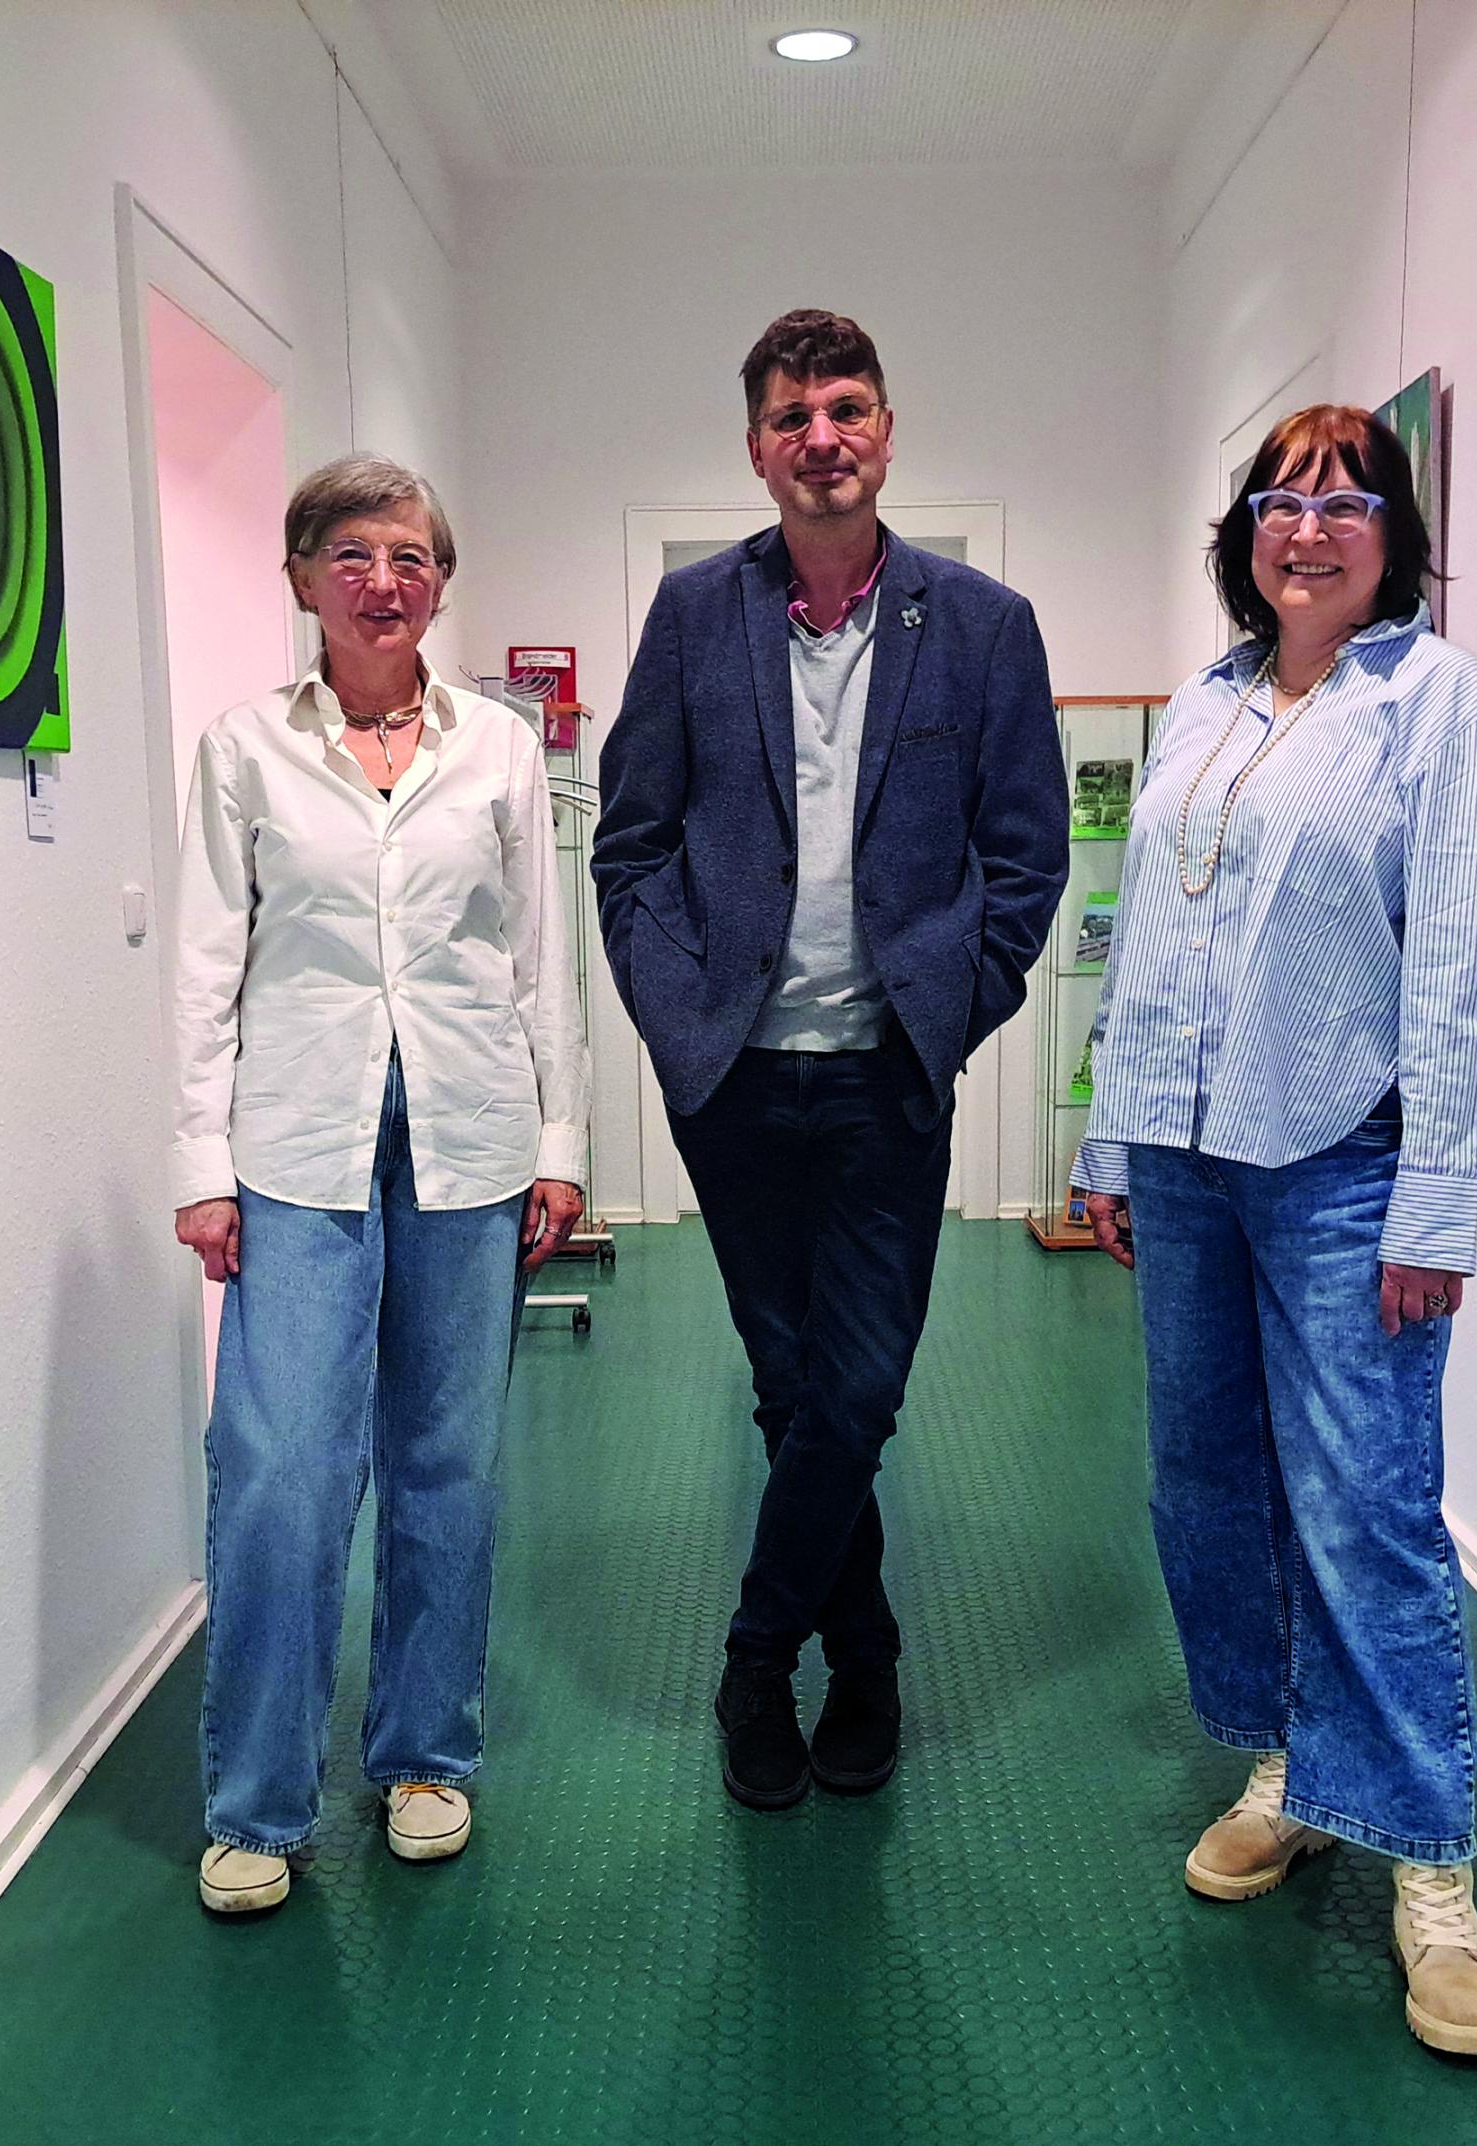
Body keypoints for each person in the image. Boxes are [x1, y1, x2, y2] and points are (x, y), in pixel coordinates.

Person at [1071, 404, 1477, 2056]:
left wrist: (1438, 1195)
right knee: (1206, 1484)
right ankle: (1286, 1767)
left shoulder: (1443, 705)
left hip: (1345, 1163)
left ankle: (1428, 1863)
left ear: (1394, 535)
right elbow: (1144, 934)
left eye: (1347, 501)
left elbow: (1468, 964)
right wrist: (1110, 1135)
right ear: (1246, 534)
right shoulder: (1207, 704)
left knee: (1366, 1510)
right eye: (1281, 500)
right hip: (1184, 1159)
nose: (1310, 526)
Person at [595, 309, 1067, 1811]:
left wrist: (952, 1004)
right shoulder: (693, 614)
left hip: (885, 1075)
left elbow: (1025, 857)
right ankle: (862, 1658)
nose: (823, 439)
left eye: (847, 409)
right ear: (756, 449)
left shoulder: (982, 624)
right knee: (790, 1382)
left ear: (886, 430)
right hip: (734, 1077)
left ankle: (754, 1658)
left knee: (854, 1389)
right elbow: (630, 841)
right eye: (793, 418)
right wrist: (672, 1011)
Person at [171, 454, 588, 1916]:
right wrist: (199, 1164)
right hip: (295, 1146)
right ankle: (257, 1803)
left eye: (410, 556)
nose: (382, 580)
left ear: (440, 583)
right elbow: (207, 963)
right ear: (301, 578)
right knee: (282, 1470)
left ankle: (424, 1754)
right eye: (350, 554)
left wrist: (559, 1144)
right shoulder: (243, 750)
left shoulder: (500, 749)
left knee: (445, 1461)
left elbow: (537, 957)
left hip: (470, 1137)